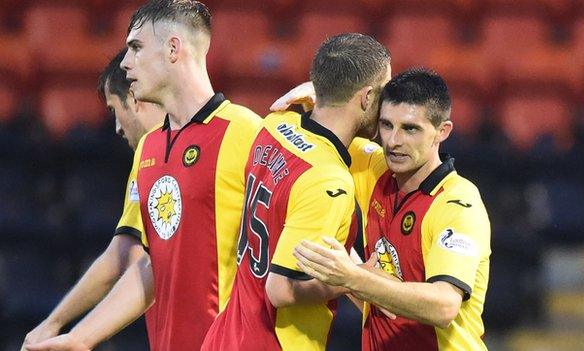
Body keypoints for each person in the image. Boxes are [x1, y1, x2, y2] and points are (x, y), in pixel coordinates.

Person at [26, 1, 262, 350]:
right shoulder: (150, 148)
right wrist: (81, 337)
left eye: (136, 47)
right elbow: (153, 265)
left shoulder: (247, 132)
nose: (124, 62)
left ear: (172, 49)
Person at [202, 33, 391, 351]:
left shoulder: (274, 123)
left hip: (226, 335)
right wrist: (352, 277)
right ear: (367, 97)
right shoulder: (329, 180)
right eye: (386, 91)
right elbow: (281, 289)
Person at [293, 69, 491, 350]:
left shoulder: (458, 204)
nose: (394, 141)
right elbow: (320, 119)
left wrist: (353, 276)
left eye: (410, 129)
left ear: (442, 131)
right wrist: (306, 96)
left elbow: (444, 306)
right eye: (386, 125)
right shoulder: (375, 170)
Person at [21, 48, 165, 351]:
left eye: (115, 110)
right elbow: (132, 253)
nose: (116, 127)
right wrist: (66, 328)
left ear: (135, 99)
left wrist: (59, 325)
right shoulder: (155, 154)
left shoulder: (158, 151)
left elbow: (127, 256)